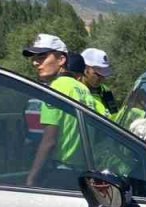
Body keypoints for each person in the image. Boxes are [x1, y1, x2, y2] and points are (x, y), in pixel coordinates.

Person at [23, 34, 102, 187]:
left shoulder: (56, 88)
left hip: (61, 172)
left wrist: (31, 178)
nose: (35, 62)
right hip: (82, 172)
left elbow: (49, 141)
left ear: (61, 60)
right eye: (34, 58)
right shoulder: (82, 89)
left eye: (42, 57)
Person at [80, 48, 119, 115]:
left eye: (104, 75)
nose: (101, 79)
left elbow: (113, 115)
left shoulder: (105, 91)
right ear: (85, 68)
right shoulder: (74, 87)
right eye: (97, 74)